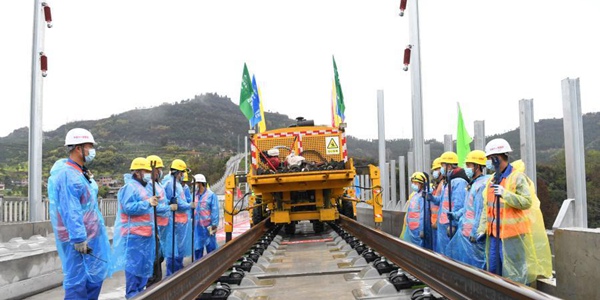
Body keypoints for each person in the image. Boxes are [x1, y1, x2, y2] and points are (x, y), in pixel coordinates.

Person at [476, 138, 552, 284]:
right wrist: (482, 228)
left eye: (490, 159)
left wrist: (505, 194)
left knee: (515, 275)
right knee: (493, 271)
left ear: (497, 158)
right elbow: (488, 207)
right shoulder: (492, 179)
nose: (488, 163)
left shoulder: (517, 177)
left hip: (513, 236)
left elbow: (526, 202)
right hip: (494, 236)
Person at [47, 128, 110, 299]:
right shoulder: (68, 175)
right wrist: (78, 238)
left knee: (92, 281)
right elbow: (71, 210)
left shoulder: (79, 173)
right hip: (79, 241)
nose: (92, 151)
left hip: (90, 237)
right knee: (77, 285)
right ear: (78, 148)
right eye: (89, 147)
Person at [110, 158, 160, 298]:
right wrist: (147, 203)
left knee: (143, 269)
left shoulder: (143, 187)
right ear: (138, 172)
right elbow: (128, 208)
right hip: (133, 236)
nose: (149, 174)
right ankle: (132, 295)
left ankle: (140, 294)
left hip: (144, 235)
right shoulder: (130, 187)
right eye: (146, 171)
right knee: (134, 268)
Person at [446, 150, 489, 269]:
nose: (466, 168)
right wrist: (456, 214)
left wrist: (475, 233)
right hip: (466, 233)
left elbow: (480, 212)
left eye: (469, 165)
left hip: (473, 238)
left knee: (477, 269)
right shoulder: (473, 183)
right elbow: (468, 207)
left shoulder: (481, 185)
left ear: (478, 166)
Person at [430, 151, 469, 256]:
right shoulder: (449, 181)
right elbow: (443, 202)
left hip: (449, 224)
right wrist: (432, 198)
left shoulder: (459, 182)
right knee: (443, 254)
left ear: (449, 166)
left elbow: (458, 205)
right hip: (443, 223)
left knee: (451, 255)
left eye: (443, 165)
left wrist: (454, 225)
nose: (441, 168)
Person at [162, 159, 195, 276]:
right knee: (173, 252)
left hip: (180, 222)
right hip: (174, 223)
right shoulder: (171, 184)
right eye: (182, 172)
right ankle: (171, 276)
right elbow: (179, 204)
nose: (183, 175)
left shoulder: (175, 184)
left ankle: (177, 274)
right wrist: (189, 205)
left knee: (177, 251)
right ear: (178, 172)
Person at [145, 155, 170, 287]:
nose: (160, 171)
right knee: (153, 261)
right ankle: (151, 288)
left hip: (161, 226)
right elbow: (153, 206)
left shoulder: (157, 184)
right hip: (154, 226)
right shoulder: (149, 185)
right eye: (159, 169)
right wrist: (167, 208)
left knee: (159, 258)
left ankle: (156, 286)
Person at [192, 174, 220, 259]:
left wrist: (214, 224)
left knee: (211, 248)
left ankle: (212, 267)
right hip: (197, 227)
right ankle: (198, 268)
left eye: (195, 184)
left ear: (200, 183)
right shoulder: (193, 195)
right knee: (197, 249)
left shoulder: (211, 195)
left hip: (209, 227)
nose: (194, 186)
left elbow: (215, 210)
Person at [400, 172, 427, 247]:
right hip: (411, 229)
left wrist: (422, 229)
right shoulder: (415, 195)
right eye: (413, 182)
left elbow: (423, 214)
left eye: (416, 183)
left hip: (418, 230)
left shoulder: (423, 196)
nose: (413, 185)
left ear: (422, 184)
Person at [429, 157, 442, 252]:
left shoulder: (442, 185)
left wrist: (437, 221)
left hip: (438, 223)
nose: (434, 172)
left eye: (436, 169)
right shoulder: (438, 184)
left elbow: (442, 205)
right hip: (435, 223)